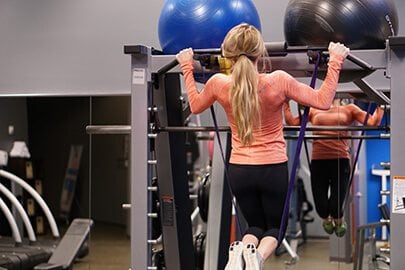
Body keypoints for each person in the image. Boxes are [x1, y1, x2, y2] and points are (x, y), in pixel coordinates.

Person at [176, 23, 349, 270]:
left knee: (254, 226)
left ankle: (239, 254)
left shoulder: (218, 83)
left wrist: (186, 65)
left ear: (227, 54)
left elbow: (194, 106)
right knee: (274, 230)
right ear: (260, 53)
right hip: (272, 167)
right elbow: (323, 100)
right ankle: (255, 258)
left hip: (239, 169)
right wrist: (336, 60)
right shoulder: (279, 81)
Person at [283, 99, 384, 237]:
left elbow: (373, 122)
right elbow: (292, 123)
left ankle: (339, 220)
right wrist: (285, 103)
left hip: (340, 161)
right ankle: (327, 218)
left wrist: (381, 105)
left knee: (336, 206)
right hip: (319, 161)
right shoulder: (313, 109)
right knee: (321, 207)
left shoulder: (350, 109)